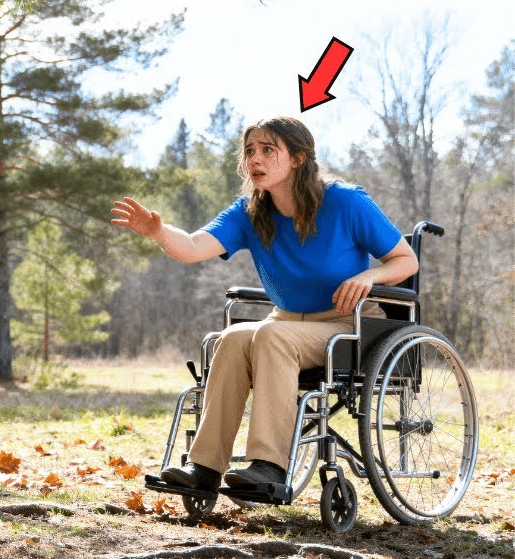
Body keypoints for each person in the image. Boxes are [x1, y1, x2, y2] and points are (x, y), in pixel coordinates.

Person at [110, 116, 418, 489]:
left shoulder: (346, 201)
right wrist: (158, 231)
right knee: (233, 337)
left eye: (268, 150)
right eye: (250, 151)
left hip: (346, 324)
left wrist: (368, 276)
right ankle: (204, 468)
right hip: (285, 319)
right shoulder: (248, 212)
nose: (255, 159)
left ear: (298, 158)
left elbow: (406, 261)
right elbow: (192, 248)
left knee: (273, 338)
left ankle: (269, 467)